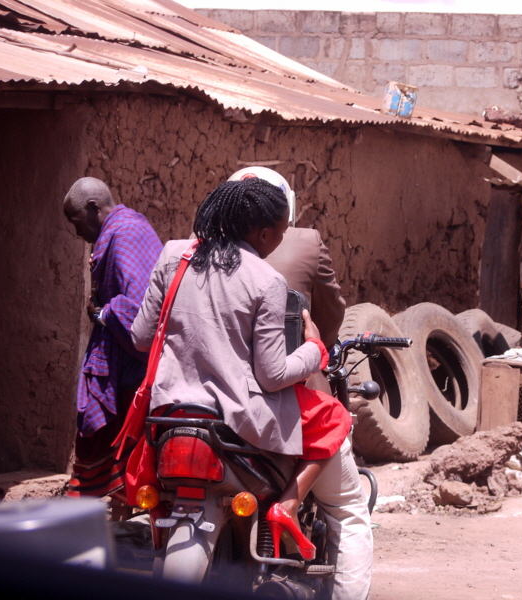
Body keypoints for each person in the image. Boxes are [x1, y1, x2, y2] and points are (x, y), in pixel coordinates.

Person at [131, 179, 370, 598]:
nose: (282, 239)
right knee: (349, 507)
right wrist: (315, 350)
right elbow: (273, 374)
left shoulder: (173, 255)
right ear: (262, 233)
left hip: (168, 418)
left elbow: (139, 337)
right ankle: (293, 508)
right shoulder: (266, 279)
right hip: (237, 429)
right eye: (280, 230)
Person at [62, 177, 163, 510]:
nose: (77, 233)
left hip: (130, 370)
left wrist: (104, 313)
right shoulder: (126, 229)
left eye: (77, 222)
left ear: (93, 208)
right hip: (123, 361)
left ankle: (124, 525)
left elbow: (139, 311)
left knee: (122, 454)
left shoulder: (124, 236)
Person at [228, 167, 346, 390]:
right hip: (284, 381)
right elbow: (330, 311)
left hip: (211, 379)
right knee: (334, 420)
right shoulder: (307, 240)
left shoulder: (195, 242)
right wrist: (316, 345)